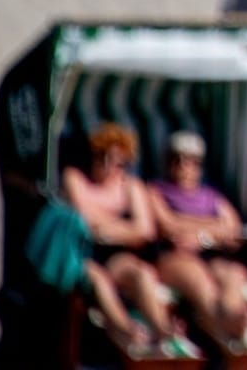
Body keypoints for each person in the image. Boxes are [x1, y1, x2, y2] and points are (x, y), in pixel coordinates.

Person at [62, 123, 179, 353]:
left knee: (141, 273)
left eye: (118, 162)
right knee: (97, 279)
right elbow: (81, 218)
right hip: (84, 252)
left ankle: (161, 329)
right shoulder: (75, 178)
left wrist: (102, 227)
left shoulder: (131, 186)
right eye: (102, 157)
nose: (109, 166)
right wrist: (123, 228)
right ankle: (125, 329)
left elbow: (145, 230)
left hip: (117, 256)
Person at [148, 131, 247, 350]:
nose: (183, 166)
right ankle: (231, 331)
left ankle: (231, 319)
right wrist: (214, 226)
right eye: (176, 159)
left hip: (210, 253)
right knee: (200, 282)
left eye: (190, 161)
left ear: (199, 165)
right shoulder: (156, 190)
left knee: (233, 275)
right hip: (175, 256)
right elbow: (168, 225)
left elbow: (235, 232)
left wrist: (200, 237)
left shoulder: (211, 195)